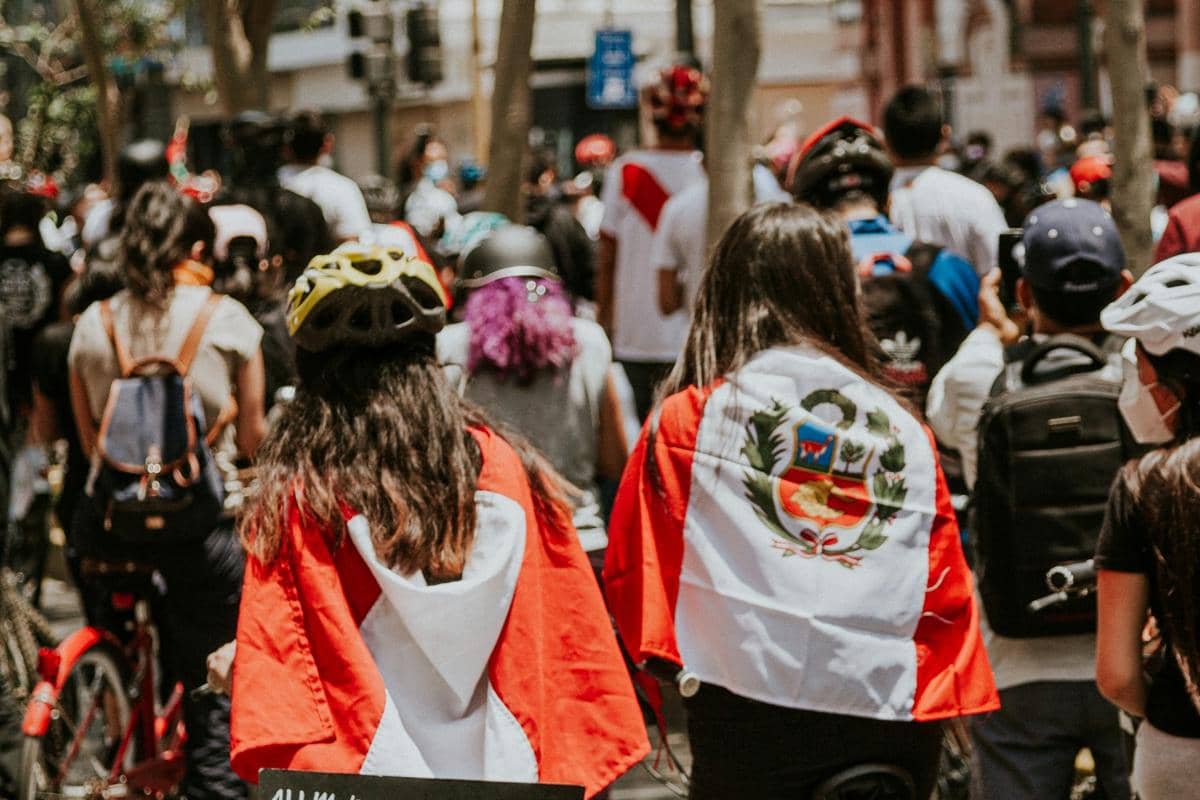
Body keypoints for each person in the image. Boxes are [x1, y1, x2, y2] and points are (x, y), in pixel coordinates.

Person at [604, 203, 998, 799]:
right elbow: (941, 580)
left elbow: (635, 568)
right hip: (889, 714)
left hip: (748, 715)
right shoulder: (905, 429)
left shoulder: (690, 420)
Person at [228, 244, 648, 797]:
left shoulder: (307, 491)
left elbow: (285, 653)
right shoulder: (500, 464)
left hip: (367, 775)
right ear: (429, 360)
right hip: (507, 767)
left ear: (308, 372)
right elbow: (565, 628)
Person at [926, 198, 1134, 800]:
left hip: (1015, 659)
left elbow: (941, 419)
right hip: (1127, 654)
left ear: (1021, 291)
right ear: (1122, 287)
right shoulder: (1142, 378)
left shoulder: (977, 378)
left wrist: (990, 330)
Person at [67, 181, 266, 800]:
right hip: (200, 532)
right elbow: (254, 439)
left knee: (122, 637)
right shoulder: (227, 318)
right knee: (213, 690)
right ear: (196, 248)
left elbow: (91, 444)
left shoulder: (92, 324)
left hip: (108, 532)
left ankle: (112, 710)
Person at [437, 225, 627, 565]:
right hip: (578, 543)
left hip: (485, 551)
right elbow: (614, 459)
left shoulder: (449, 346)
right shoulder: (589, 342)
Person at [1094, 254, 1200, 800]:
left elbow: (1116, 674)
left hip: (1181, 757)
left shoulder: (1144, 487)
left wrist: (1161, 709)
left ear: (1172, 386)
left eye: (1140, 369)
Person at [789, 116, 979, 406]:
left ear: (808, 209)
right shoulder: (948, 268)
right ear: (888, 200)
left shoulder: (800, 276)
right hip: (932, 432)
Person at [596, 63, 707, 419]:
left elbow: (607, 256)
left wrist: (604, 320)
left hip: (637, 334)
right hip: (697, 335)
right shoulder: (709, 173)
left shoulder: (627, 172)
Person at [883, 86, 1008, 276]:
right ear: (945, 135)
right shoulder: (974, 197)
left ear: (885, 141)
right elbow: (998, 270)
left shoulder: (874, 201)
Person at [278, 109, 373, 243]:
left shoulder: (269, 183)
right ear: (327, 143)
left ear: (285, 148)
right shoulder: (342, 188)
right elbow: (351, 242)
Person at [398, 126, 460, 240]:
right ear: (417, 163)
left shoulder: (450, 193)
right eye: (431, 160)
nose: (439, 164)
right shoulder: (410, 197)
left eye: (442, 159)